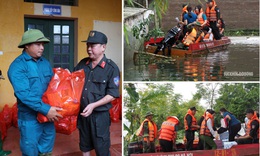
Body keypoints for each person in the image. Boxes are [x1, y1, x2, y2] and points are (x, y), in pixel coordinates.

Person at [8, 29, 63, 156]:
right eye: (38, 44)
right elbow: (24, 94)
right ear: (27, 45)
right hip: (30, 119)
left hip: (47, 117)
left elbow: (52, 87)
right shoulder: (17, 66)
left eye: (43, 44)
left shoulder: (45, 63)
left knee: (46, 150)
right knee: (30, 151)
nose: (42, 48)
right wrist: (45, 109)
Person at [74, 30, 120, 156]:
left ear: (103, 47)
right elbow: (72, 81)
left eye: (93, 46)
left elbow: (112, 94)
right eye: (88, 45)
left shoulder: (111, 68)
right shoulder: (83, 64)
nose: (89, 49)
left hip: (99, 116)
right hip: (83, 113)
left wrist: (93, 105)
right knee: (84, 142)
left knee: (102, 146)